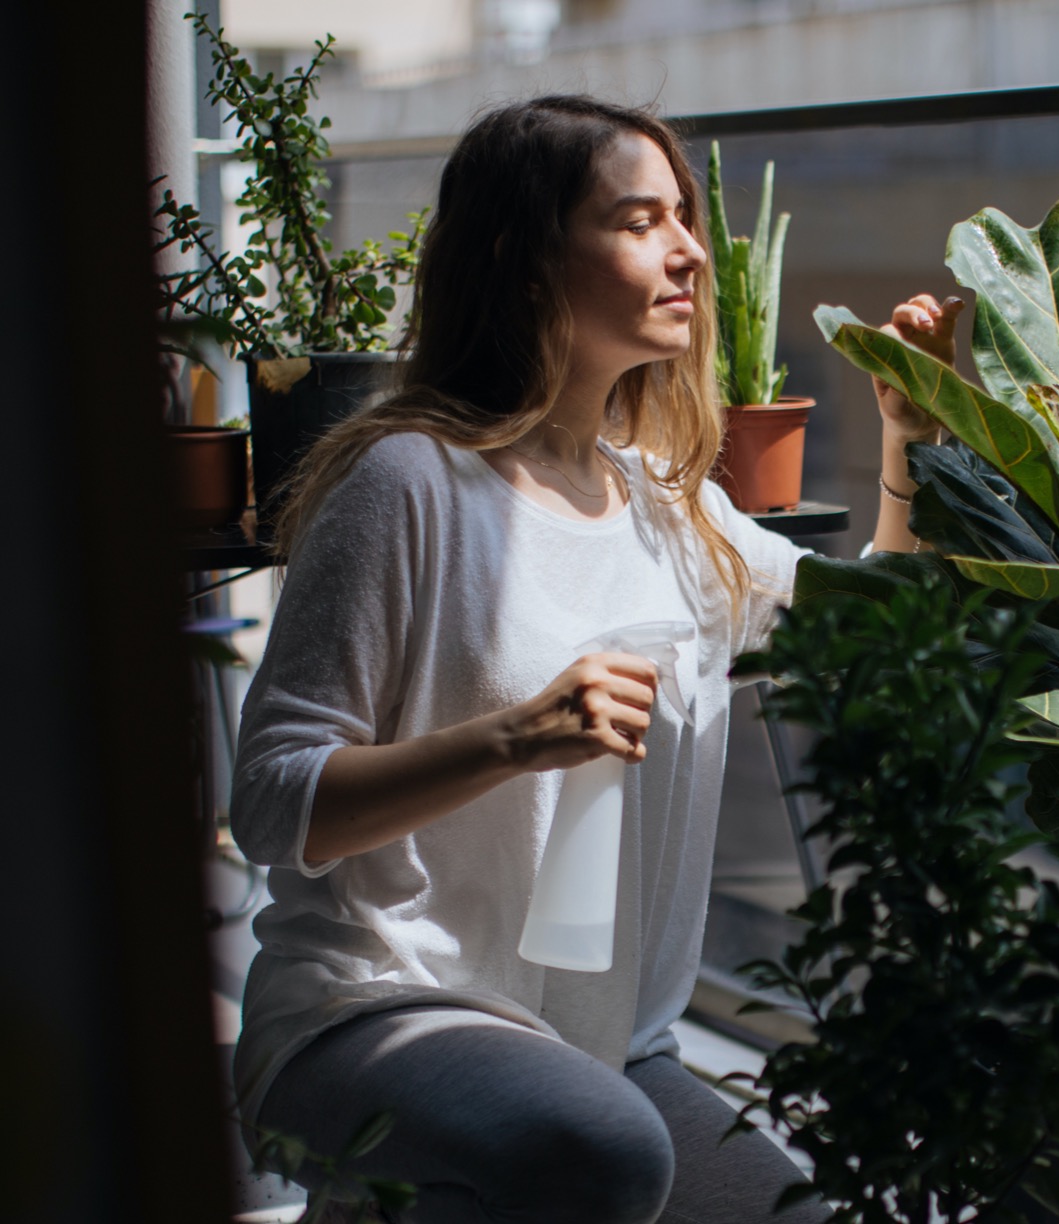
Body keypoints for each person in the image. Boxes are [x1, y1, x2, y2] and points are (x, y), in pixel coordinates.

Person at [228, 95, 964, 1223]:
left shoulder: (670, 511)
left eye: (686, 217)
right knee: (597, 1155)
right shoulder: (408, 485)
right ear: (521, 261)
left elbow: (884, 621)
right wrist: (515, 738)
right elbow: (274, 801)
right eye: (638, 220)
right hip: (373, 1008)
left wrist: (911, 439)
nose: (687, 251)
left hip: (608, 1047)